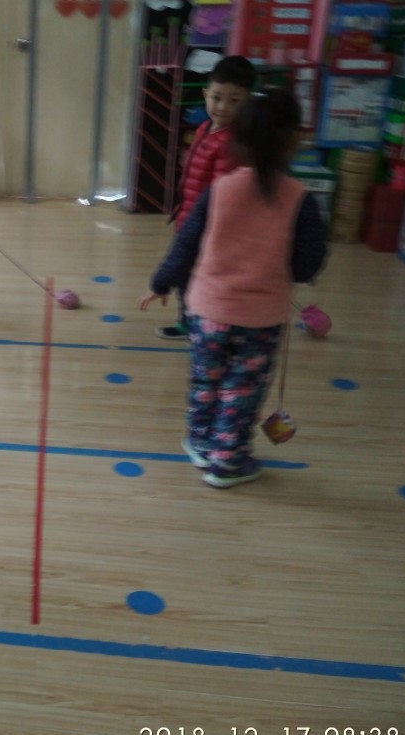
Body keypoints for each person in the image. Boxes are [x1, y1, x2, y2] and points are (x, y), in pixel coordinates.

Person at [139, 88, 327, 488]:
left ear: (238, 140)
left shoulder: (220, 189)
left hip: (206, 313)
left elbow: (186, 243)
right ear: (294, 140)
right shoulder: (300, 200)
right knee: (242, 389)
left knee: (205, 380)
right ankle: (226, 460)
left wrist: (160, 283)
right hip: (260, 321)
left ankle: (199, 442)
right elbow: (307, 264)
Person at [157, 55, 256, 340]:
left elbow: (222, 191)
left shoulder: (232, 141)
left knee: (195, 275)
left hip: (208, 225)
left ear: (247, 102)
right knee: (185, 273)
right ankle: (190, 321)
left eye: (234, 100)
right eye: (217, 97)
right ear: (205, 94)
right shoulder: (204, 128)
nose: (222, 107)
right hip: (189, 217)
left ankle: (199, 324)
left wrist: (210, 225)